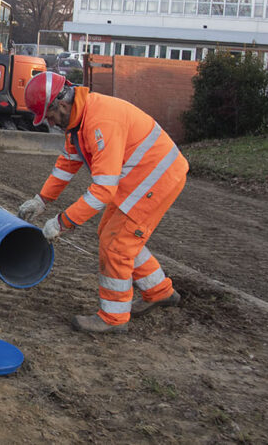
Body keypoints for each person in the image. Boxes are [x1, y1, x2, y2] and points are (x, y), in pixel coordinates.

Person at [17, 71, 187, 334]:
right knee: (113, 234)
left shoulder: (100, 121)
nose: (50, 123)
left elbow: (103, 191)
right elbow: (67, 164)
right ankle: (159, 292)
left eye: (49, 117)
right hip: (142, 178)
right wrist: (41, 200)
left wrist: (62, 223)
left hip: (157, 178)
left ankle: (113, 318)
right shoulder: (77, 122)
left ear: (61, 104)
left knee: (116, 244)